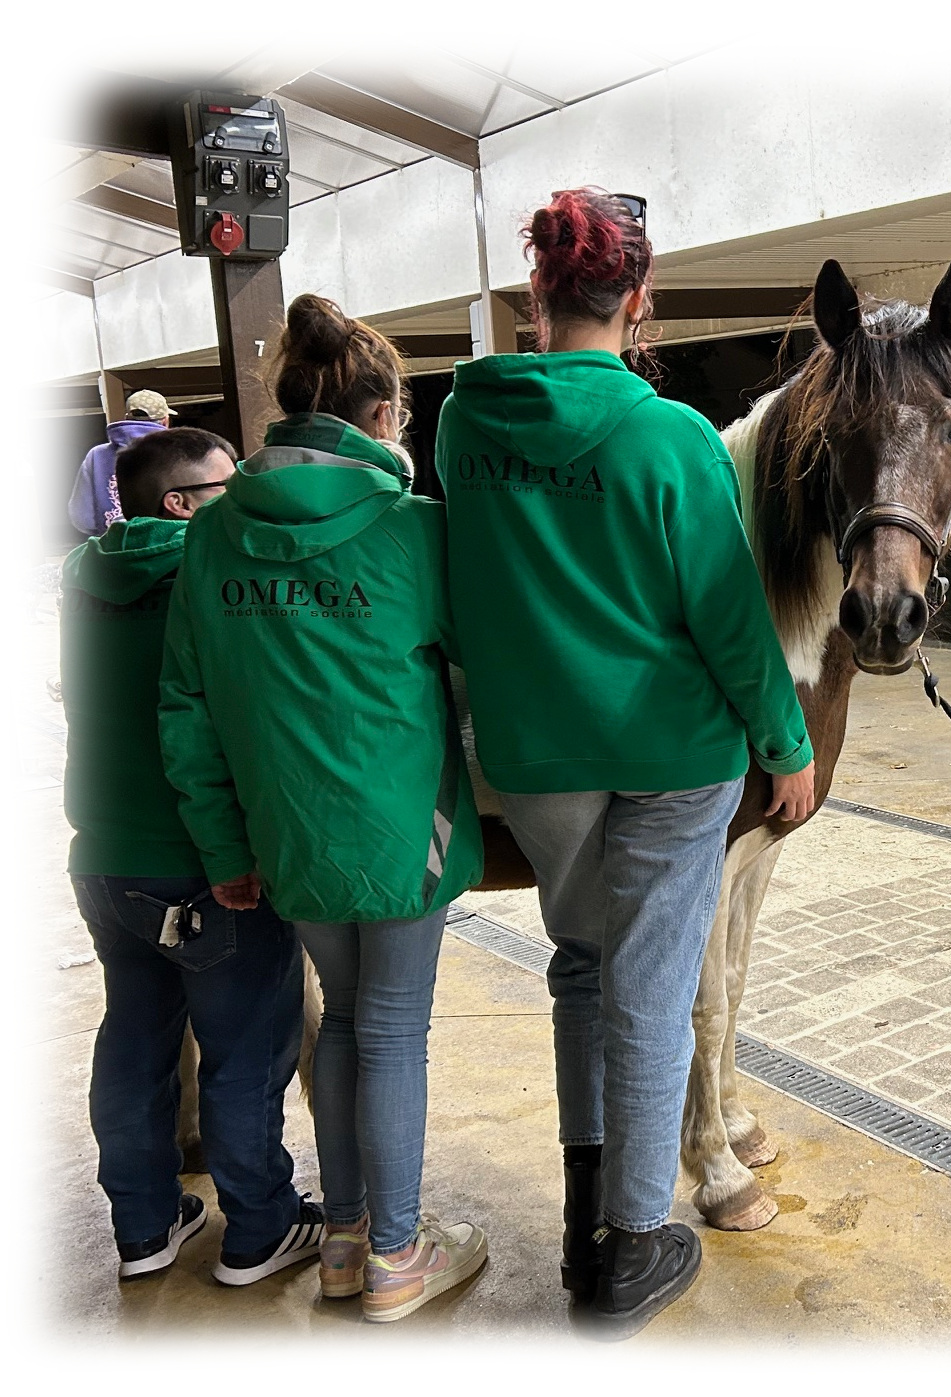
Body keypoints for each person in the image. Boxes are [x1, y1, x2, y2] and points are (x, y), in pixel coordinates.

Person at [436, 189, 816, 1338]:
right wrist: (785, 742)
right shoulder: (673, 437)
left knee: (582, 966)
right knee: (649, 990)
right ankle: (636, 1239)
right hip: (669, 754)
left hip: (536, 758)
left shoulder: (464, 427)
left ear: (533, 298)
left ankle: (581, 1209)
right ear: (638, 301)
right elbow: (727, 616)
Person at [159, 293, 487, 1322]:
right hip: (401, 834)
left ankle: (346, 1235)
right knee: (391, 1030)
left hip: (282, 834)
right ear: (384, 416)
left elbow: (187, 707)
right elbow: (487, 667)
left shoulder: (209, 542)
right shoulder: (413, 531)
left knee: (341, 1020)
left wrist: (223, 841)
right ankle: (396, 1253)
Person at [63, 426, 315, 1286]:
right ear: (179, 504)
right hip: (203, 862)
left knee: (134, 1037)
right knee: (244, 1047)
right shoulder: (210, 575)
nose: (242, 497)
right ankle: (260, 1229)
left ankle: (145, 1224)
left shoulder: (80, 574)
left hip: (102, 858)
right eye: (226, 487)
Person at [70, 389, 173, 537]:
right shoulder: (178, 453)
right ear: (165, 421)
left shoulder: (97, 455)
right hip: (168, 547)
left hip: (113, 550)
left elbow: (82, 518)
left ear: (127, 417)